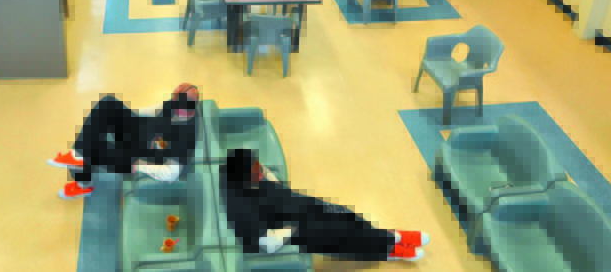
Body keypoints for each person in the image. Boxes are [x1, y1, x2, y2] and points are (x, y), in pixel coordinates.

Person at [220, 149, 429, 262]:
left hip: (286, 204)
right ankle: (390, 247)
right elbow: (269, 244)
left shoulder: (233, 167)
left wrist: (278, 188)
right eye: (256, 173)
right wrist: (294, 228)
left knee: (345, 215)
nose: (261, 173)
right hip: (285, 229)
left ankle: (387, 237)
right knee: (342, 238)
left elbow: (262, 170)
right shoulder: (242, 210)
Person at [48, 84, 201, 200]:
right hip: (139, 133)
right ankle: (77, 156)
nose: (172, 101)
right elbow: (156, 110)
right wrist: (128, 115)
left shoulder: (185, 137)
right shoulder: (176, 105)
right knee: (108, 104)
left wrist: (139, 166)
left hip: (139, 157)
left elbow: (170, 174)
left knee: (91, 147)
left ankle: (83, 184)